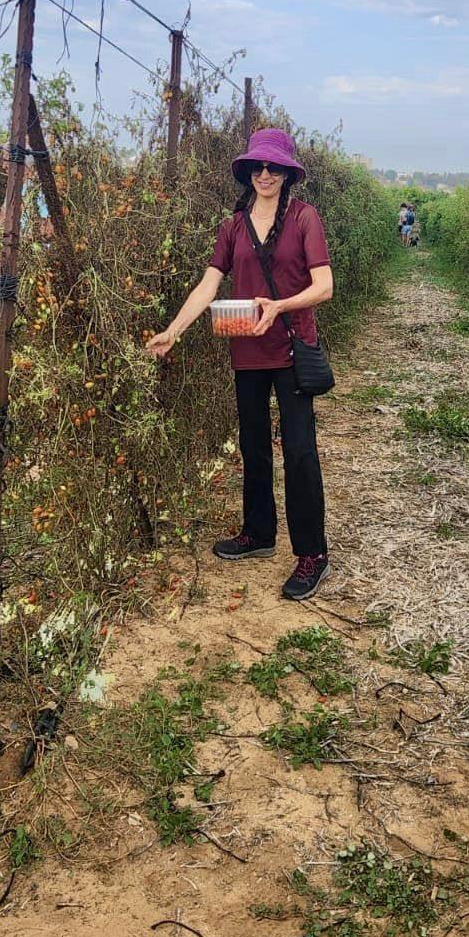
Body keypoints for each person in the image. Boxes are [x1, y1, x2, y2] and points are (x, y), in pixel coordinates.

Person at [147, 128, 334, 601]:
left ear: (288, 173)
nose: (266, 174)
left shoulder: (304, 218)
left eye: (274, 167)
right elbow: (209, 285)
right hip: (246, 351)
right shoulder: (232, 227)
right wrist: (174, 329)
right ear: (248, 173)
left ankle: (312, 553)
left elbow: (324, 285)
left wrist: (280, 305)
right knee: (253, 445)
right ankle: (258, 533)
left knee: (299, 451)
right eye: (258, 167)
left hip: (291, 349)